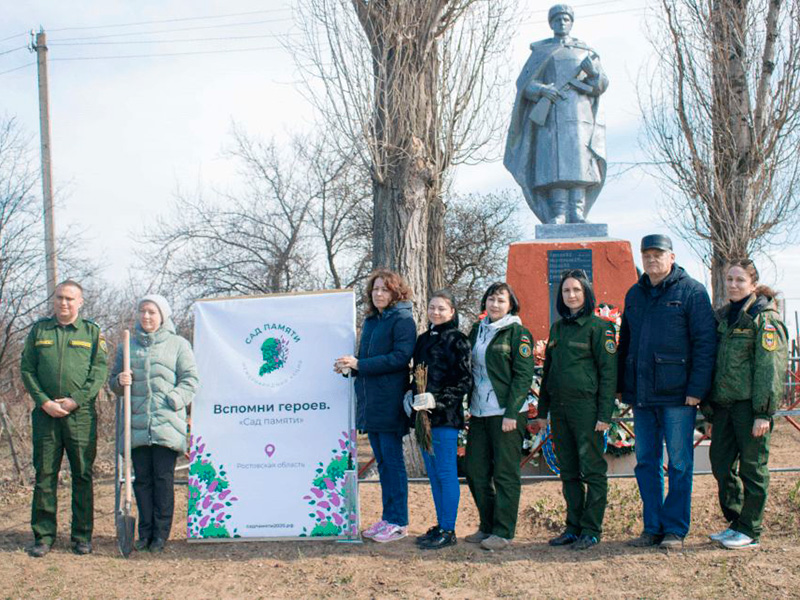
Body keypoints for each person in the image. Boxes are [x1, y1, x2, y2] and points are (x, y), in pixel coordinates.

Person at [618, 234, 717, 549]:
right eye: (646, 255)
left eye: (658, 254)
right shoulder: (634, 294)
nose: (651, 260)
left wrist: (696, 388)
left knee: (679, 463)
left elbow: (705, 343)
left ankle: (675, 529)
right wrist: (623, 385)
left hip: (678, 396)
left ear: (672, 257)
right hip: (643, 397)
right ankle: (653, 527)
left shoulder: (692, 292)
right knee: (646, 462)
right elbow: (626, 343)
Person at [20, 280, 109, 557]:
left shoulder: (91, 332)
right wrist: (44, 401)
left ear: (80, 302)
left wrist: (75, 401)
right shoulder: (39, 330)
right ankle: (44, 536)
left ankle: (81, 536)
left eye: (70, 298)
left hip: (79, 415)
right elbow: (27, 369)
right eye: (59, 297)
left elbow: (98, 372)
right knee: (45, 474)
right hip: (46, 415)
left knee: (81, 474)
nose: (64, 303)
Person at [705, 260, 788, 549]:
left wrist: (763, 412)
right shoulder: (725, 317)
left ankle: (751, 529)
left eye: (740, 280)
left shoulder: (764, 319)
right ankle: (736, 521)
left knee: (752, 469)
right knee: (721, 464)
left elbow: (770, 368)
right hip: (724, 406)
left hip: (749, 408)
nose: (733, 285)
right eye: (728, 279)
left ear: (753, 284)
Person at [504, 3, 608, 224]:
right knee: (553, 166)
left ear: (572, 22)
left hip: (580, 117)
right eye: (557, 19)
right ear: (551, 23)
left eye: (566, 19)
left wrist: (592, 73)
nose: (562, 23)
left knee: (579, 164)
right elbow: (524, 85)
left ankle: (577, 212)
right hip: (551, 118)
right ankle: (558, 211)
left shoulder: (585, 52)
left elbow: (600, 85)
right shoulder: (541, 52)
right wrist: (543, 90)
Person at [536, 270, 617, 550]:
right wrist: (542, 411)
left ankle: (591, 529)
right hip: (559, 409)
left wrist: (604, 415)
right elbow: (548, 373)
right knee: (568, 471)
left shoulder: (599, 327)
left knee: (592, 470)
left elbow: (608, 374)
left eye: (576, 290)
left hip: (587, 409)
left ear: (586, 294)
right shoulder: (557, 328)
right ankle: (573, 527)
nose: (571, 295)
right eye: (566, 291)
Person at [111, 295, 198, 553]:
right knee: (141, 481)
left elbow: (191, 379)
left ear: (162, 316)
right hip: (136, 424)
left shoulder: (178, 345)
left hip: (167, 423)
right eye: (142, 311)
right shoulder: (128, 346)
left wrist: (174, 399)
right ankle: (144, 533)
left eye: (152, 312)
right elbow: (113, 383)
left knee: (162, 479)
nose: (146, 316)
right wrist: (120, 381)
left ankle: (160, 535)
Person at [334, 269, 416, 543]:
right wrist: (351, 367)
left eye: (385, 289)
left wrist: (360, 365)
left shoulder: (403, 319)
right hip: (372, 402)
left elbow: (400, 358)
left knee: (393, 463)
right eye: (375, 289)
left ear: (396, 293)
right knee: (383, 461)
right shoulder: (371, 321)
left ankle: (399, 522)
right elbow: (366, 360)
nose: (379, 293)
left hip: (390, 401)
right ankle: (388, 517)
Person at [464, 282, 535, 551]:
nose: (495, 304)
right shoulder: (476, 330)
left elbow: (522, 376)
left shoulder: (518, 333)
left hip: (506, 413)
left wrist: (511, 412)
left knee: (505, 474)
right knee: (475, 469)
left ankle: (503, 531)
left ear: (511, 305)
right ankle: (488, 524)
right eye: (491, 299)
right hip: (479, 411)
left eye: (501, 301)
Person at [408, 291, 472, 550]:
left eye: (441, 308)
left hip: (444, 417)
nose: (436, 312)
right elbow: (416, 375)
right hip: (423, 419)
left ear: (452, 312)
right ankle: (440, 523)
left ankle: (449, 528)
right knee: (433, 474)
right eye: (432, 307)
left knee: (446, 473)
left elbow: (464, 380)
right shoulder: (423, 339)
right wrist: (411, 396)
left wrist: (438, 400)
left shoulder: (458, 340)